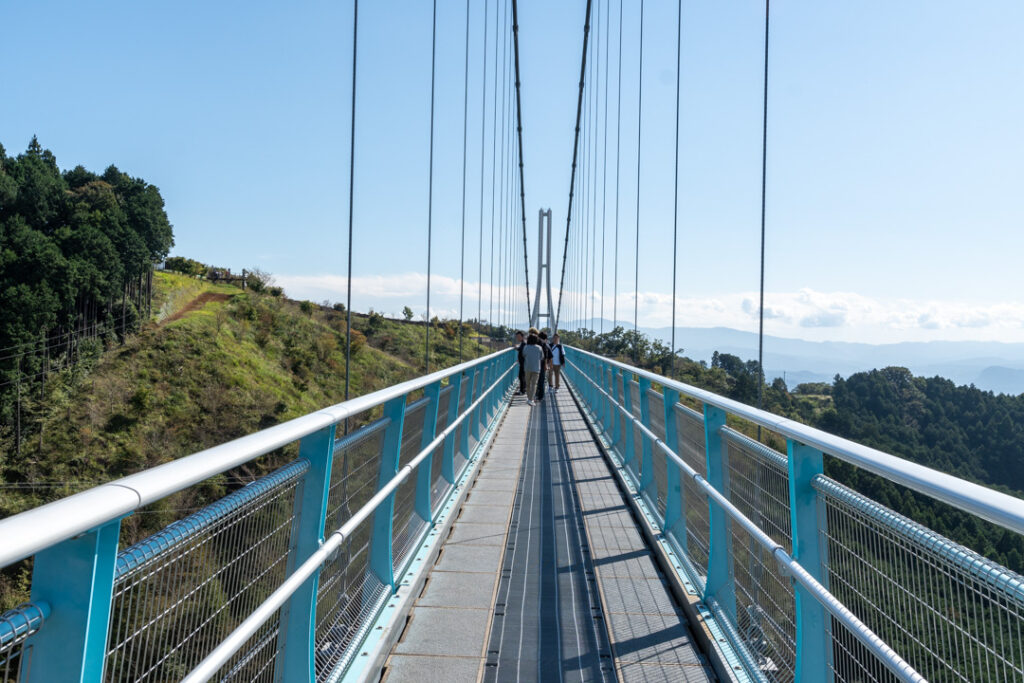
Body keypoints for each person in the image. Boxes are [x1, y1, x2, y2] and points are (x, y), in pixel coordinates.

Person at [522, 334, 544, 406]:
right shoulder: (539, 348)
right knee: (534, 384)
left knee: (528, 384)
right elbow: (542, 357)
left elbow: (523, 355)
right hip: (536, 368)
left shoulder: (525, 347)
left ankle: (529, 398)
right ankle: (531, 399)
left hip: (527, 368)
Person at [536, 331, 552, 401]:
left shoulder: (537, 344)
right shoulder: (547, 345)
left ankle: (538, 395)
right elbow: (550, 357)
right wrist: (549, 365)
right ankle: (540, 396)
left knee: (537, 381)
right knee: (541, 380)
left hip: (536, 365)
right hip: (543, 366)